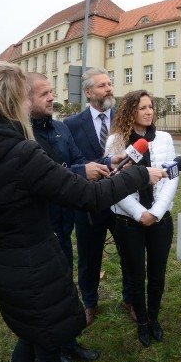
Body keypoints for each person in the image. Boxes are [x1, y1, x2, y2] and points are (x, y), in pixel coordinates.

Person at [0, 63, 165, 362]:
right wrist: (138, 174)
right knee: (47, 339)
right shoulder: (21, 153)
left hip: (0, 259)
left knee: (27, 332)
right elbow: (88, 196)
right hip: (34, 259)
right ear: (13, 101)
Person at [26, 72, 106, 362]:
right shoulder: (21, 135)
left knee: (65, 283)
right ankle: (51, 347)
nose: (52, 97)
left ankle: (68, 341)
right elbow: (41, 178)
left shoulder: (60, 129)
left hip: (64, 222)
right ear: (26, 99)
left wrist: (104, 163)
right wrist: (80, 172)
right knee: (44, 291)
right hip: (37, 225)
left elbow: (77, 162)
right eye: (44, 93)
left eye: (51, 92)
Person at [104, 90, 179, 347]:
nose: (149, 112)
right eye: (142, 108)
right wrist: (139, 213)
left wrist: (156, 213)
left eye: (151, 107)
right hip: (127, 221)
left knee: (157, 274)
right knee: (135, 274)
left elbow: (172, 176)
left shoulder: (165, 139)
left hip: (160, 219)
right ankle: (142, 322)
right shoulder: (116, 141)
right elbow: (114, 183)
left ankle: (154, 318)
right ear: (130, 112)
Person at [63, 68, 134, 325]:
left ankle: (130, 298)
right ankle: (89, 303)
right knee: (88, 256)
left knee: (130, 253)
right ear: (88, 92)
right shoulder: (71, 125)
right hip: (89, 203)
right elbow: (72, 163)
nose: (109, 89)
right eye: (103, 85)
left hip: (124, 201)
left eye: (110, 83)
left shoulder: (125, 120)